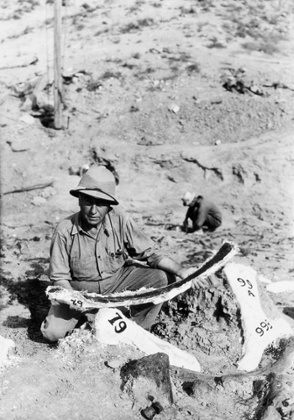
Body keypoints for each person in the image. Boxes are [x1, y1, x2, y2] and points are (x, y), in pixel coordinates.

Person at [41, 166, 205, 342]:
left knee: (162, 278)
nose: (94, 210)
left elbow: (151, 254)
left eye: (101, 203)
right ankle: (88, 318)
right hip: (79, 291)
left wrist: (182, 271)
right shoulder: (64, 231)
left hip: (117, 282)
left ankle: (135, 328)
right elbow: (59, 277)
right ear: (79, 200)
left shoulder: (121, 220)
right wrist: (76, 300)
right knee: (52, 333)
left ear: (110, 205)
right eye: (88, 201)